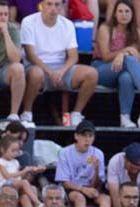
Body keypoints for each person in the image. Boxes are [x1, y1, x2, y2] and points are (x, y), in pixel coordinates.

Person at [21, 0, 99, 128]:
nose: (53, 8)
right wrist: (50, 72)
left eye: (57, 4)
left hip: (61, 69)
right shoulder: (28, 22)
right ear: (41, 5)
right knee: (36, 74)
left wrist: (61, 71)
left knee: (92, 74)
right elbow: (31, 55)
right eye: (49, 4)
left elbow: (74, 56)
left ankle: (76, 114)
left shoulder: (67, 24)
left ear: (62, 6)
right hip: (38, 67)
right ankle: (27, 112)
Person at [92, 0, 140, 128]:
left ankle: (125, 118)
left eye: (127, 11)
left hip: (124, 70)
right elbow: (106, 56)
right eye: (120, 11)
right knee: (128, 60)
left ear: (132, 15)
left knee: (127, 78)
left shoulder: (137, 32)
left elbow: (135, 57)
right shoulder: (105, 29)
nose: (123, 14)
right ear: (114, 14)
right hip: (102, 68)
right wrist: (125, 52)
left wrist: (122, 54)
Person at [57, 119, 108, 207]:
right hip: (72, 190)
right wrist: (83, 189)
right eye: (84, 135)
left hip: (91, 189)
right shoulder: (65, 152)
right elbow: (65, 183)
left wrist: (97, 169)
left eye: (90, 136)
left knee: (106, 199)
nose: (87, 139)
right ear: (76, 136)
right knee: (79, 198)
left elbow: (96, 185)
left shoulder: (98, 153)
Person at [0, 132, 46, 207]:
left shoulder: (15, 162)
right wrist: (24, 171)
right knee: (24, 183)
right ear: (2, 150)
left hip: (13, 186)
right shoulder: (0, 162)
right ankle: (37, 203)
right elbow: (8, 176)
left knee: (31, 190)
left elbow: (19, 178)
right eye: (12, 151)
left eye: (17, 151)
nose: (15, 153)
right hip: (2, 188)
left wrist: (32, 171)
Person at [106, 142, 140, 207]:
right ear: (125, 159)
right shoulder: (115, 161)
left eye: (139, 165)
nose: (136, 168)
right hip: (120, 194)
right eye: (133, 165)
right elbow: (114, 194)